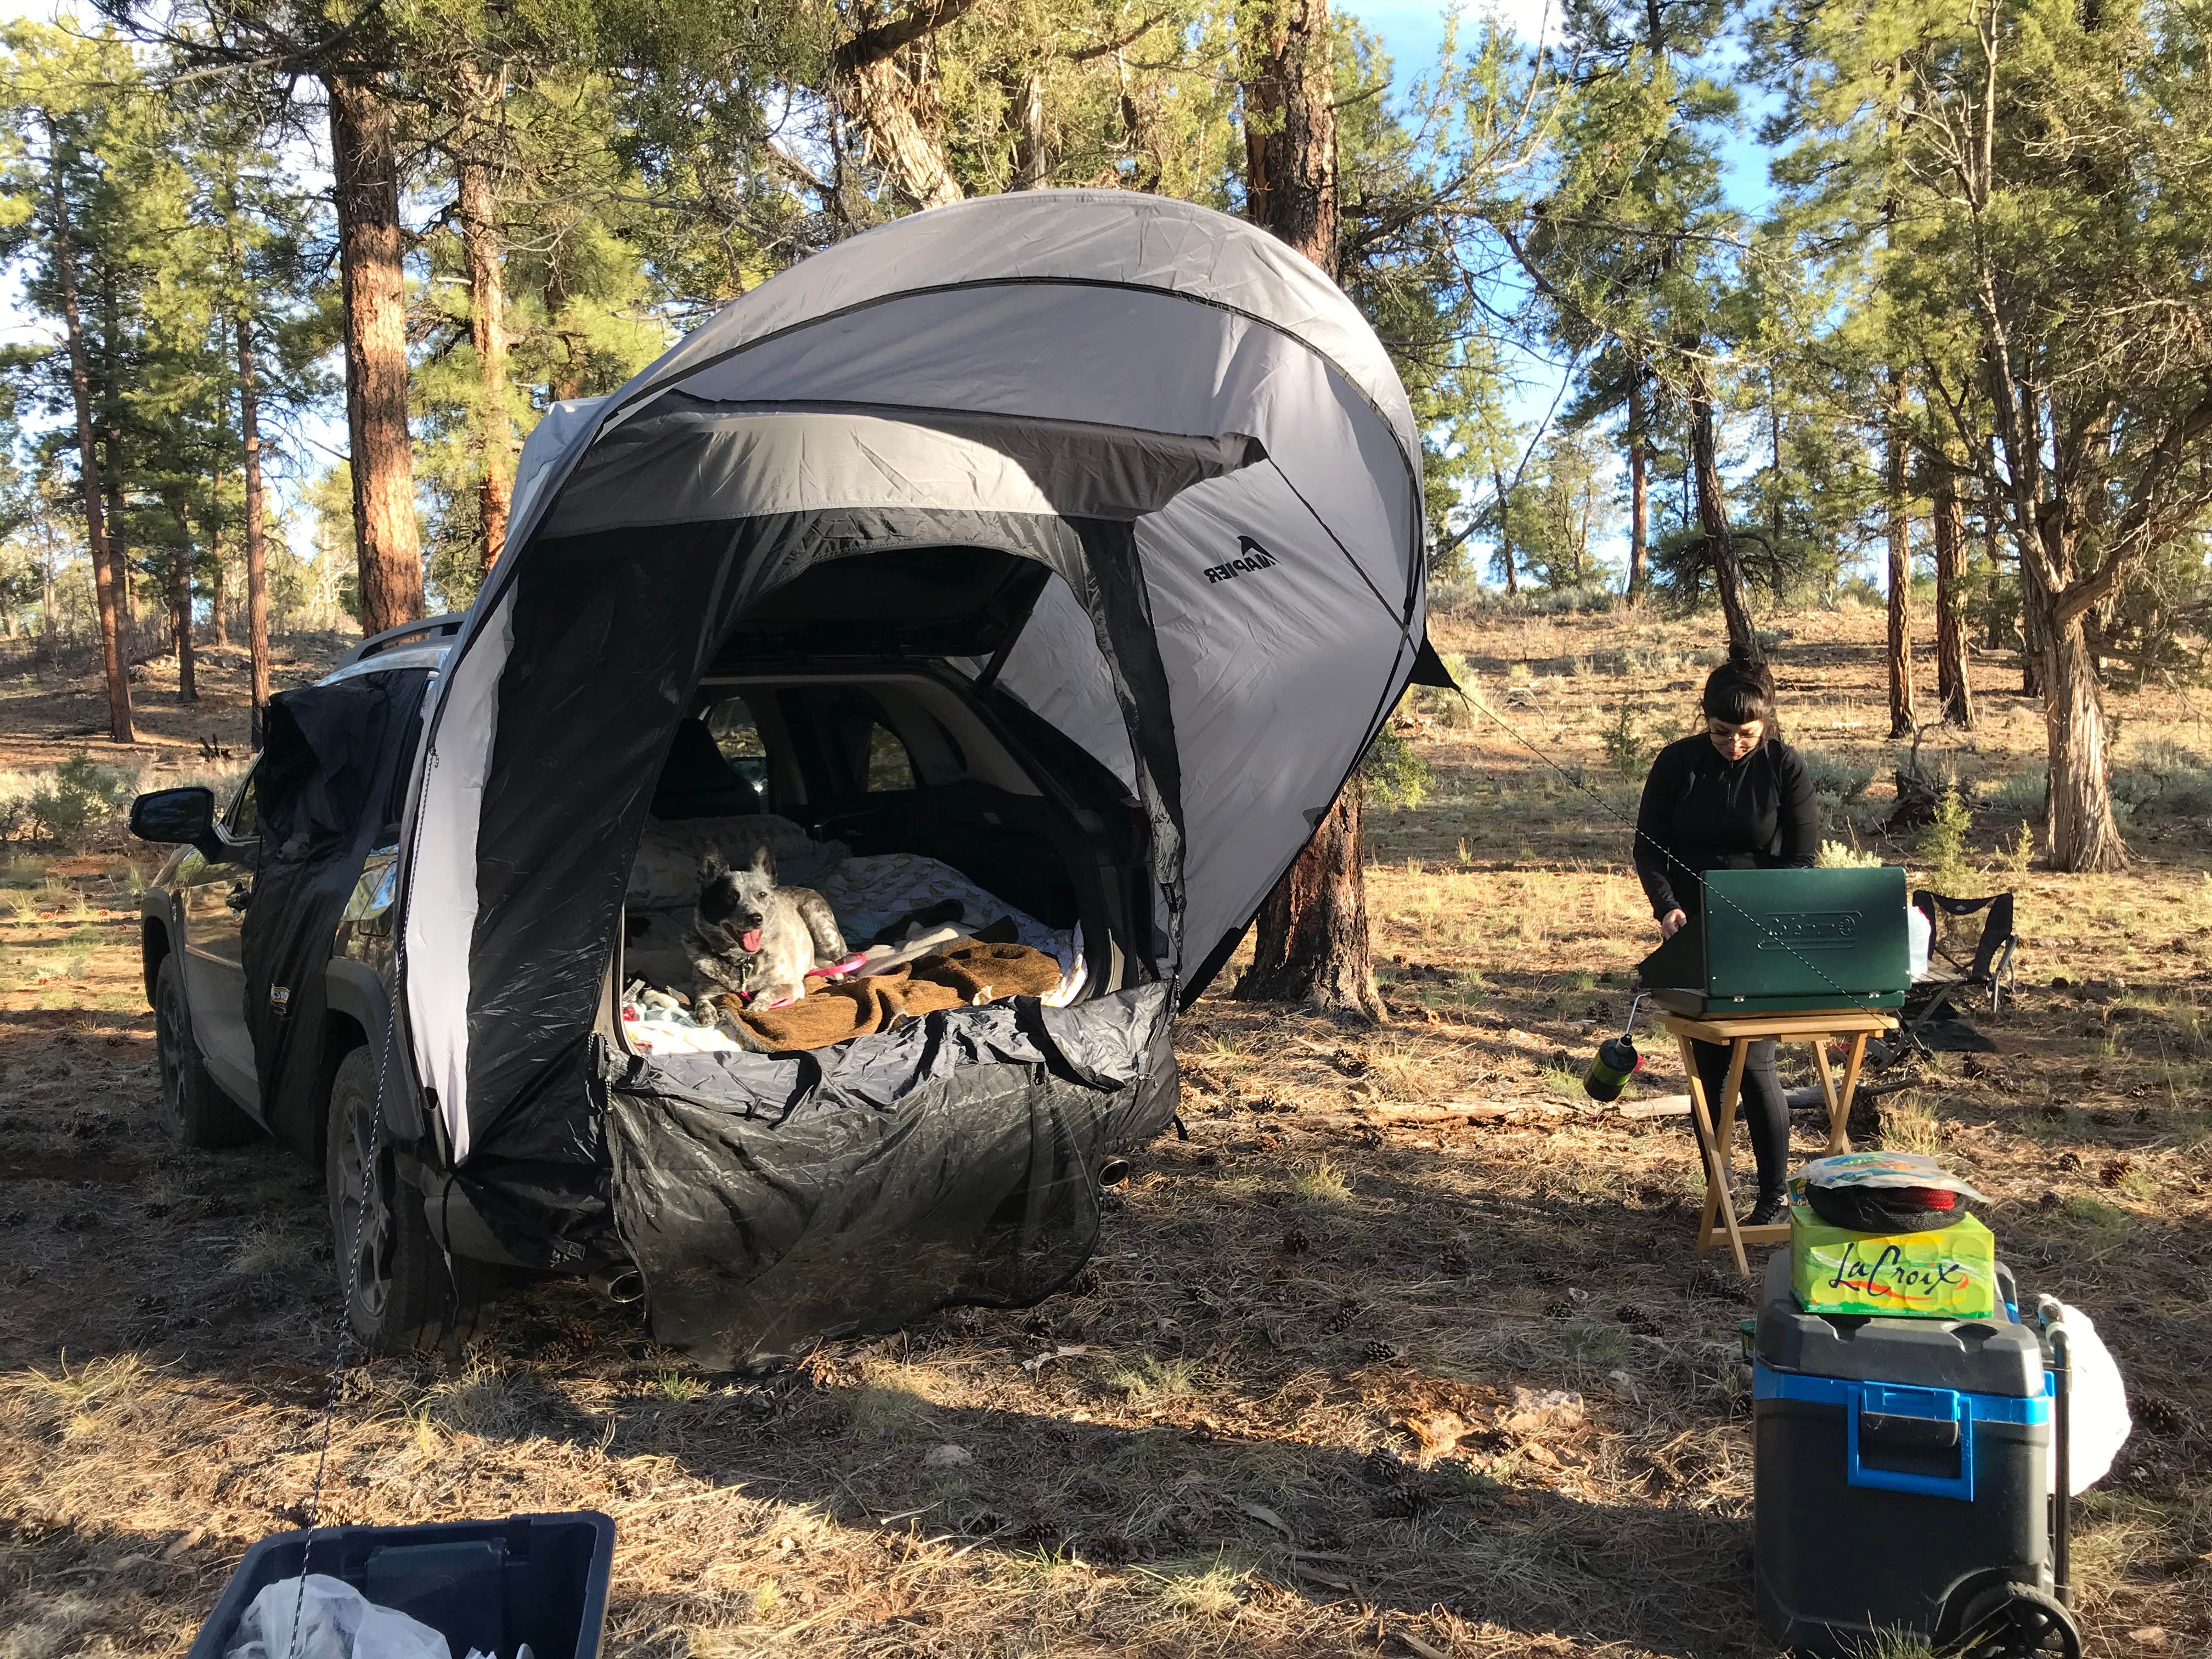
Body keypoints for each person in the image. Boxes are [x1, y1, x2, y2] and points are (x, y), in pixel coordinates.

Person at [1633, 644, 1818, 1226]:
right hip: (1689, 930)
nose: (1734, 745)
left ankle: (1772, 1198)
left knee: (1756, 1061)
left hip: (1760, 932)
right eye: (1721, 733)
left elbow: (1803, 860)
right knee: (1708, 1070)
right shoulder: (1676, 763)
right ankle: (1720, 1196)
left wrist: (1761, 914)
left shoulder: (1784, 767)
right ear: (1704, 720)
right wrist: (1667, 909)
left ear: (1766, 724)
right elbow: (1649, 849)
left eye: (1746, 735)